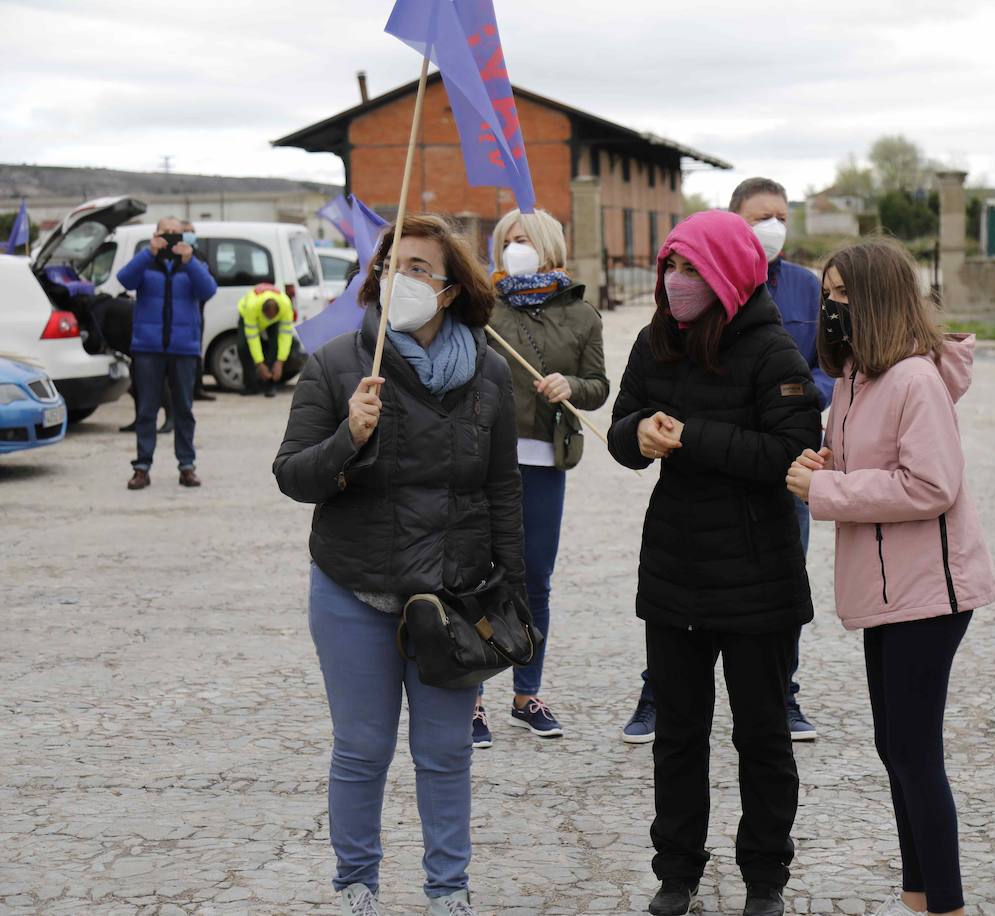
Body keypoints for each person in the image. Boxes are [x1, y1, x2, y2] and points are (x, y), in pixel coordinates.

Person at [273, 214, 521, 916]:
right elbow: (293, 476)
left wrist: (516, 598)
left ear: (449, 291)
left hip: (451, 595)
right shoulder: (337, 366)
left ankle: (449, 890)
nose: (400, 278)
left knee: (445, 751)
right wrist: (347, 439)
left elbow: (503, 489)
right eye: (392, 264)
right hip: (354, 588)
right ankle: (356, 884)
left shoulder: (491, 373)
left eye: (419, 267)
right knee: (362, 748)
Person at [609, 209, 821, 916]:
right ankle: (677, 874)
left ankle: (766, 879)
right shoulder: (655, 340)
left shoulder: (774, 353)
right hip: (675, 566)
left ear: (727, 275)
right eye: (671, 266)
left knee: (761, 732)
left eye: (692, 269)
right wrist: (637, 435)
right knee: (678, 732)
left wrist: (693, 437)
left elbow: (788, 456)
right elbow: (619, 428)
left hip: (758, 572)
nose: (676, 281)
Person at [785, 240, 995, 916]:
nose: (831, 305)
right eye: (828, 293)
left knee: (913, 750)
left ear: (879, 298)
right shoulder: (856, 377)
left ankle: (946, 904)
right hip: (888, 589)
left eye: (845, 293)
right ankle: (919, 894)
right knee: (894, 746)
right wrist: (825, 463)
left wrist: (827, 491)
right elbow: (863, 462)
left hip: (929, 593)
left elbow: (931, 485)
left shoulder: (913, 378)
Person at [472, 208, 608, 747]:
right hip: (486, 460)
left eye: (523, 239)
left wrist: (570, 386)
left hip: (546, 462)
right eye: (507, 241)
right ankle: (472, 699)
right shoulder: (482, 307)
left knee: (534, 578)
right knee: (480, 576)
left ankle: (527, 694)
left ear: (548, 245)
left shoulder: (582, 314)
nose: (514, 248)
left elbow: (599, 385)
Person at [118, 217, 217, 489]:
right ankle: (142, 467)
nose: (171, 237)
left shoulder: (192, 263)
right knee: (147, 409)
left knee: (184, 408)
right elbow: (124, 279)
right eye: (166, 232)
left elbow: (208, 290)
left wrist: (190, 262)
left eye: (176, 233)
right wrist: (147, 252)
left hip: (184, 348)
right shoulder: (146, 261)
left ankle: (187, 466)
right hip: (148, 347)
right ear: (156, 234)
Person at [236, 283, 303, 397]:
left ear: (277, 312)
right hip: (246, 314)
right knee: (243, 346)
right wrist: (260, 364)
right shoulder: (251, 307)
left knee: (275, 345)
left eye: (272, 316)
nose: (269, 319)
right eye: (268, 316)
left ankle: (270, 384)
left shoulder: (286, 305)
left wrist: (280, 362)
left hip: (274, 315)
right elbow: (253, 338)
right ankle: (250, 385)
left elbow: (285, 335)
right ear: (263, 312)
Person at [182, 220, 216, 402]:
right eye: (186, 231)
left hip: (197, 312)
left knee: (196, 352)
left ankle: (197, 387)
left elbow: (209, 284)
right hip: (181, 314)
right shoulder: (173, 256)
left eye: (192, 231)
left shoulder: (199, 256)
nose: (190, 234)